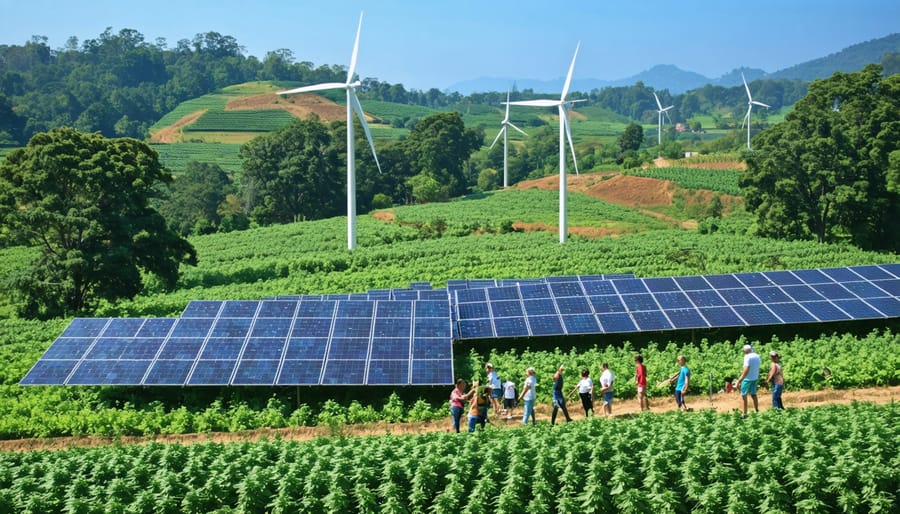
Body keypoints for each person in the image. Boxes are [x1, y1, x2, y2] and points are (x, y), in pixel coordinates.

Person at [737, 344, 761, 418]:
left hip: (747, 379)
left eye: (744, 350)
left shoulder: (747, 357)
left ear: (746, 350)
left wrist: (739, 380)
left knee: (743, 395)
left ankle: (744, 413)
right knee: (753, 394)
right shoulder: (757, 356)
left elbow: (746, 369)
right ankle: (757, 410)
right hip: (755, 378)